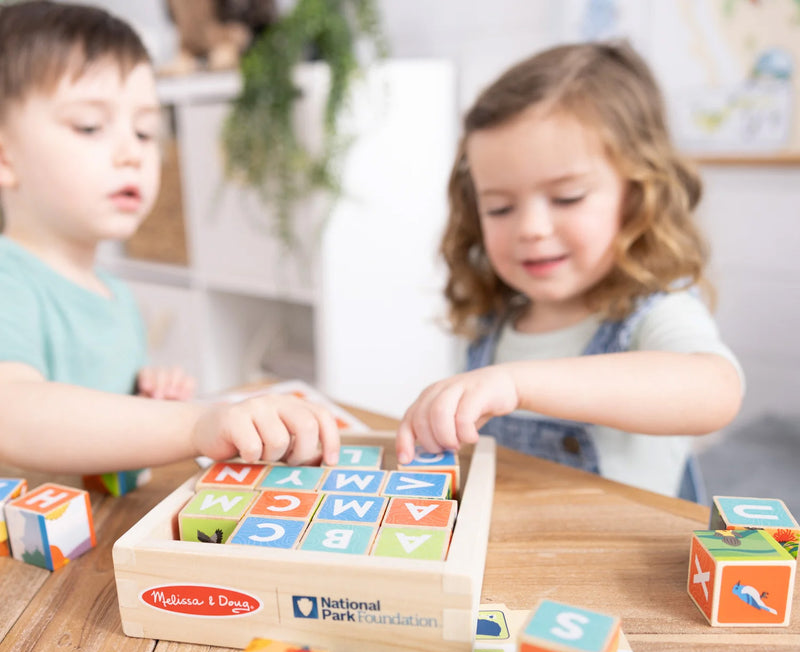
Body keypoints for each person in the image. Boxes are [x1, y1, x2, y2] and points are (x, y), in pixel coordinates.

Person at [0, 1, 339, 474]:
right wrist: (192, 423)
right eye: (90, 126)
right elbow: (13, 415)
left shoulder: (113, 294)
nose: (132, 153)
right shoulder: (9, 281)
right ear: (5, 156)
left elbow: (92, 438)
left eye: (144, 131)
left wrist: (142, 397)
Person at [396, 41, 744, 500]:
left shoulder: (656, 310)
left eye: (567, 198)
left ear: (639, 194)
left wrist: (518, 383)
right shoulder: (493, 319)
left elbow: (715, 390)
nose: (532, 229)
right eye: (499, 207)